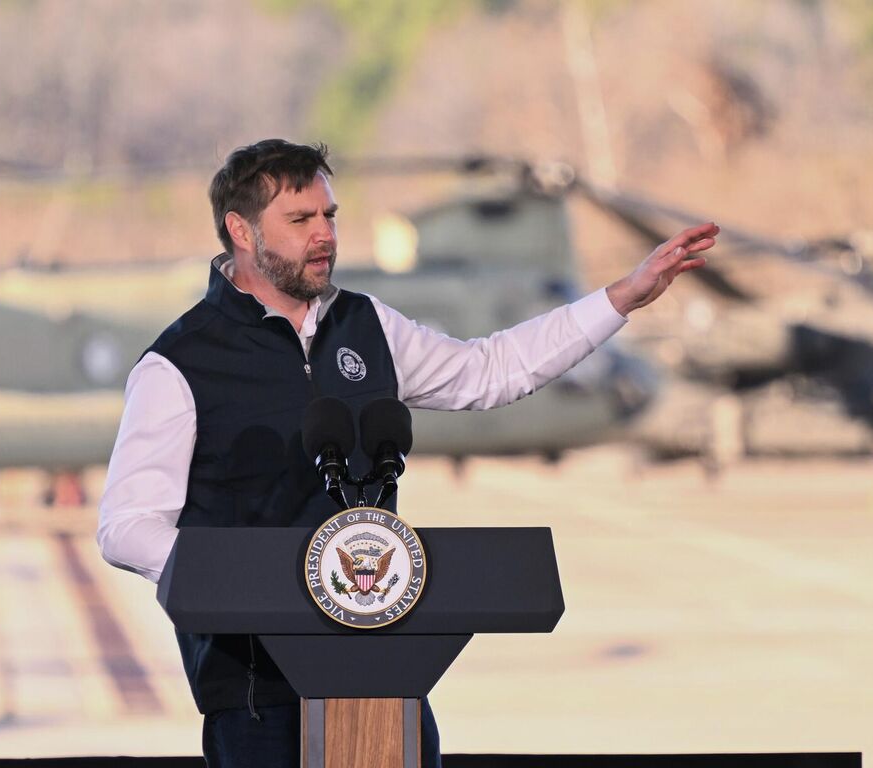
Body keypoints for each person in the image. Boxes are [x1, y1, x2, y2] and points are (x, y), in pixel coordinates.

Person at [96, 139, 716, 766]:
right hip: (257, 693)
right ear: (242, 230)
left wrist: (620, 299)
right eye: (301, 220)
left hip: (382, 669)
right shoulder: (179, 364)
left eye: (329, 216)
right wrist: (249, 575)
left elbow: (489, 371)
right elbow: (125, 527)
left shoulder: (367, 325)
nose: (324, 236)